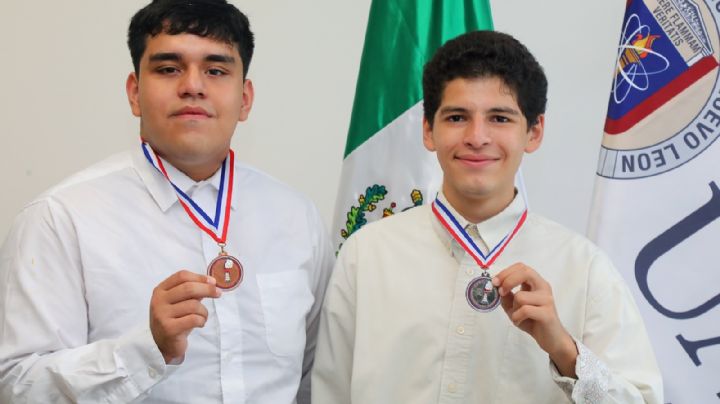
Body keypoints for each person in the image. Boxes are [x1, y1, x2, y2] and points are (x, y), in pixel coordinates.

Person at [0, 1, 333, 403]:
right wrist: (146, 348)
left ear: (244, 99)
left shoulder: (297, 217)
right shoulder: (61, 217)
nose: (193, 85)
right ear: (134, 93)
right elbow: (17, 386)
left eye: (216, 70)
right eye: (169, 68)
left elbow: (317, 378)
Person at [311, 31, 663, 403]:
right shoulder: (366, 254)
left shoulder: (585, 269)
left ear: (534, 131)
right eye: (457, 117)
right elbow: (329, 394)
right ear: (429, 130)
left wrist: (564, 350)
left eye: (499, 118)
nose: (477, 137)